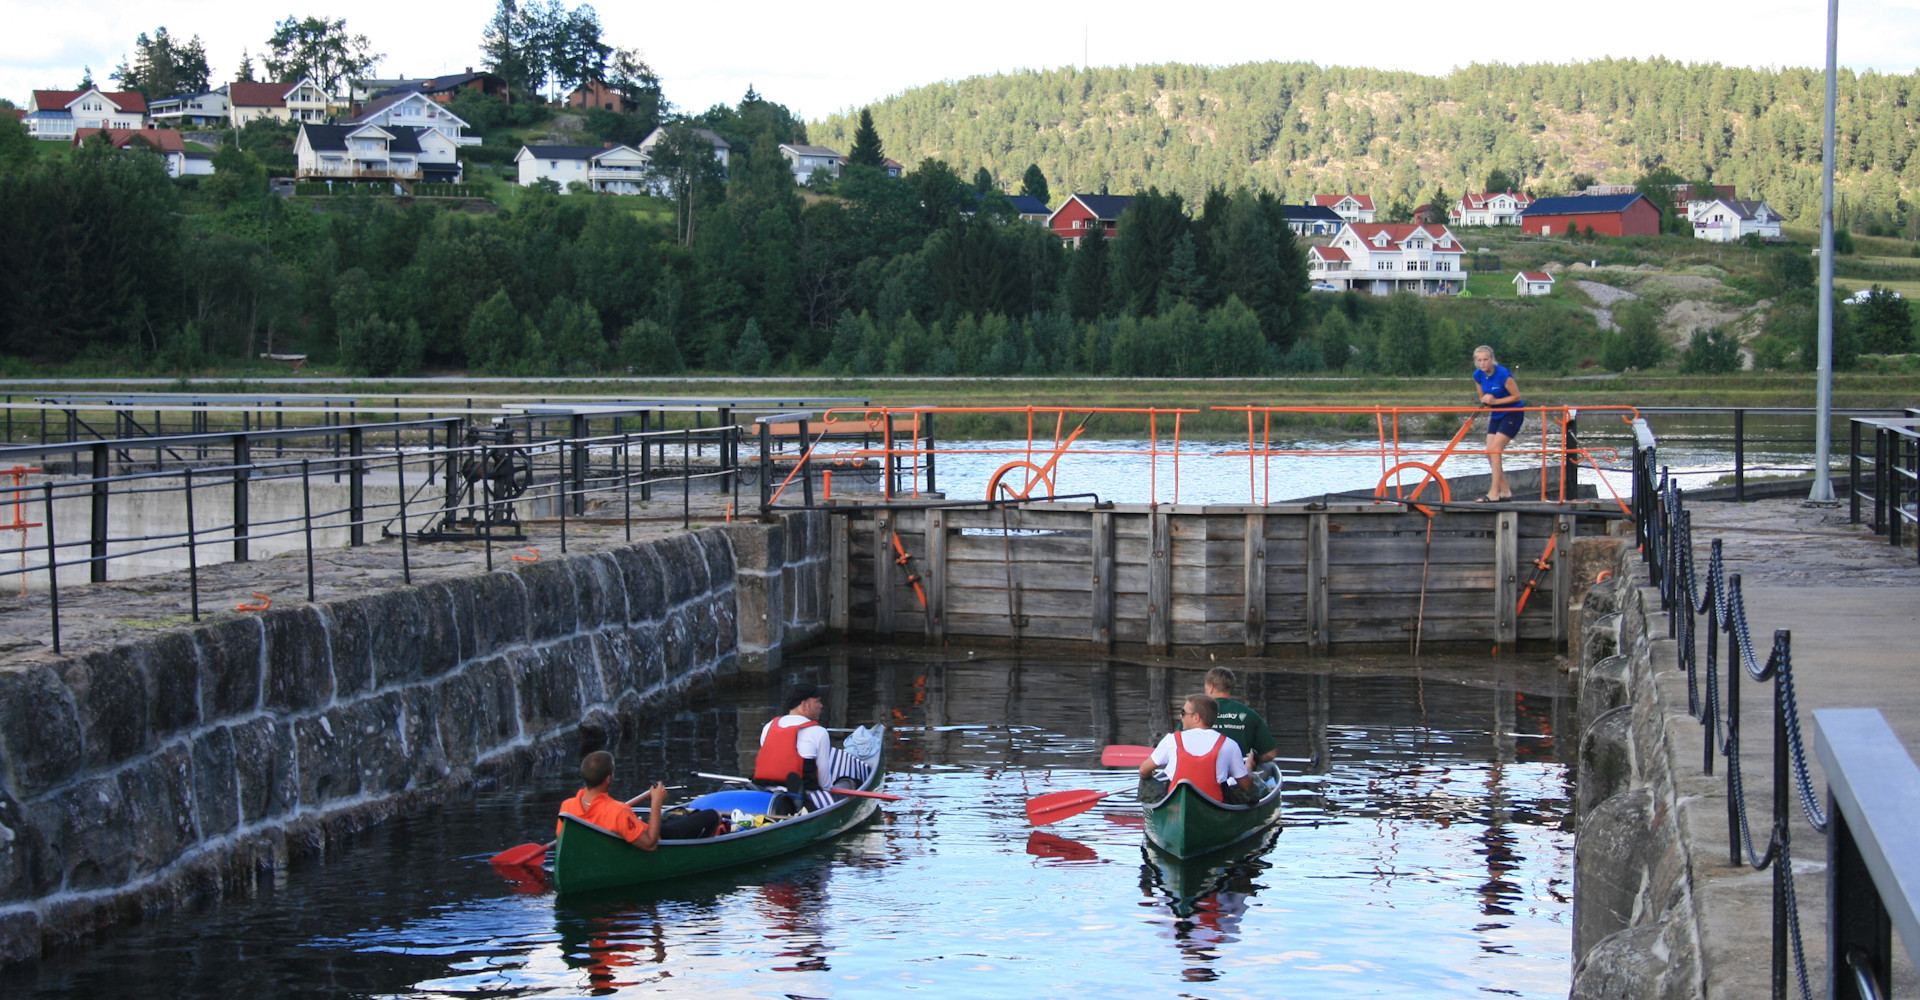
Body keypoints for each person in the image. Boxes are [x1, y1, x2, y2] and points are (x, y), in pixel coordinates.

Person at [557, 750, 719, 847]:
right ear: (608, 779)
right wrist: (656, 802)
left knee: (668, 819)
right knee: (713, 815)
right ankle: (701, 852)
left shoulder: (567, 807)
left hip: (633, 830)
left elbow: (561, 839)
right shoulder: (618, 811)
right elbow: (650, 843)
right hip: (657, 836)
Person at [755, 682, 872, 810]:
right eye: (817, 702)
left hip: (766, 792)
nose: (821, 706)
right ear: (805, 705)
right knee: (848, 782)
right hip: (805, 799)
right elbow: (825, 784)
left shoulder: (769, 726)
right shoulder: (818, 732)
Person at [1138, 694, 1256, 804]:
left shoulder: (1171, 740)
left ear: (1196, 717)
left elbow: (1143, 770)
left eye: (1184, 712)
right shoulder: (1230, 744)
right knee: (1251, 790)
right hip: (1214, 805)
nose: (1181, 716)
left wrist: (1149, 776)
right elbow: (1245, 785)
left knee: (1145, 781)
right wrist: (1249, 767)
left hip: (1176, 805)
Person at [1471, 345, 1526, 502]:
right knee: (1489, 452)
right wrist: (1487, 400)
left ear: (1492, 359)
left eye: (1486, 359)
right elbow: (1483, 398)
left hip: (1513, 413)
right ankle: (1505, 490)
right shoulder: (1477, 375)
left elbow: (1516, 396)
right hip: (1496, 414)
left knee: (1495, 450)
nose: (1483, 363)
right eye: (1479, 360)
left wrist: (1495, 401)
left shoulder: (1503, 374)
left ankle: (1494, 493)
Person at [1204, 667, 1278, 768]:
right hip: (1240, 773)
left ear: (1211, 687)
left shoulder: (1194, 713)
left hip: (1206, 770)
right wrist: (1255, 760)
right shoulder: (1250, 714)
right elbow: (1271, 753)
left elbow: (1177, 743)